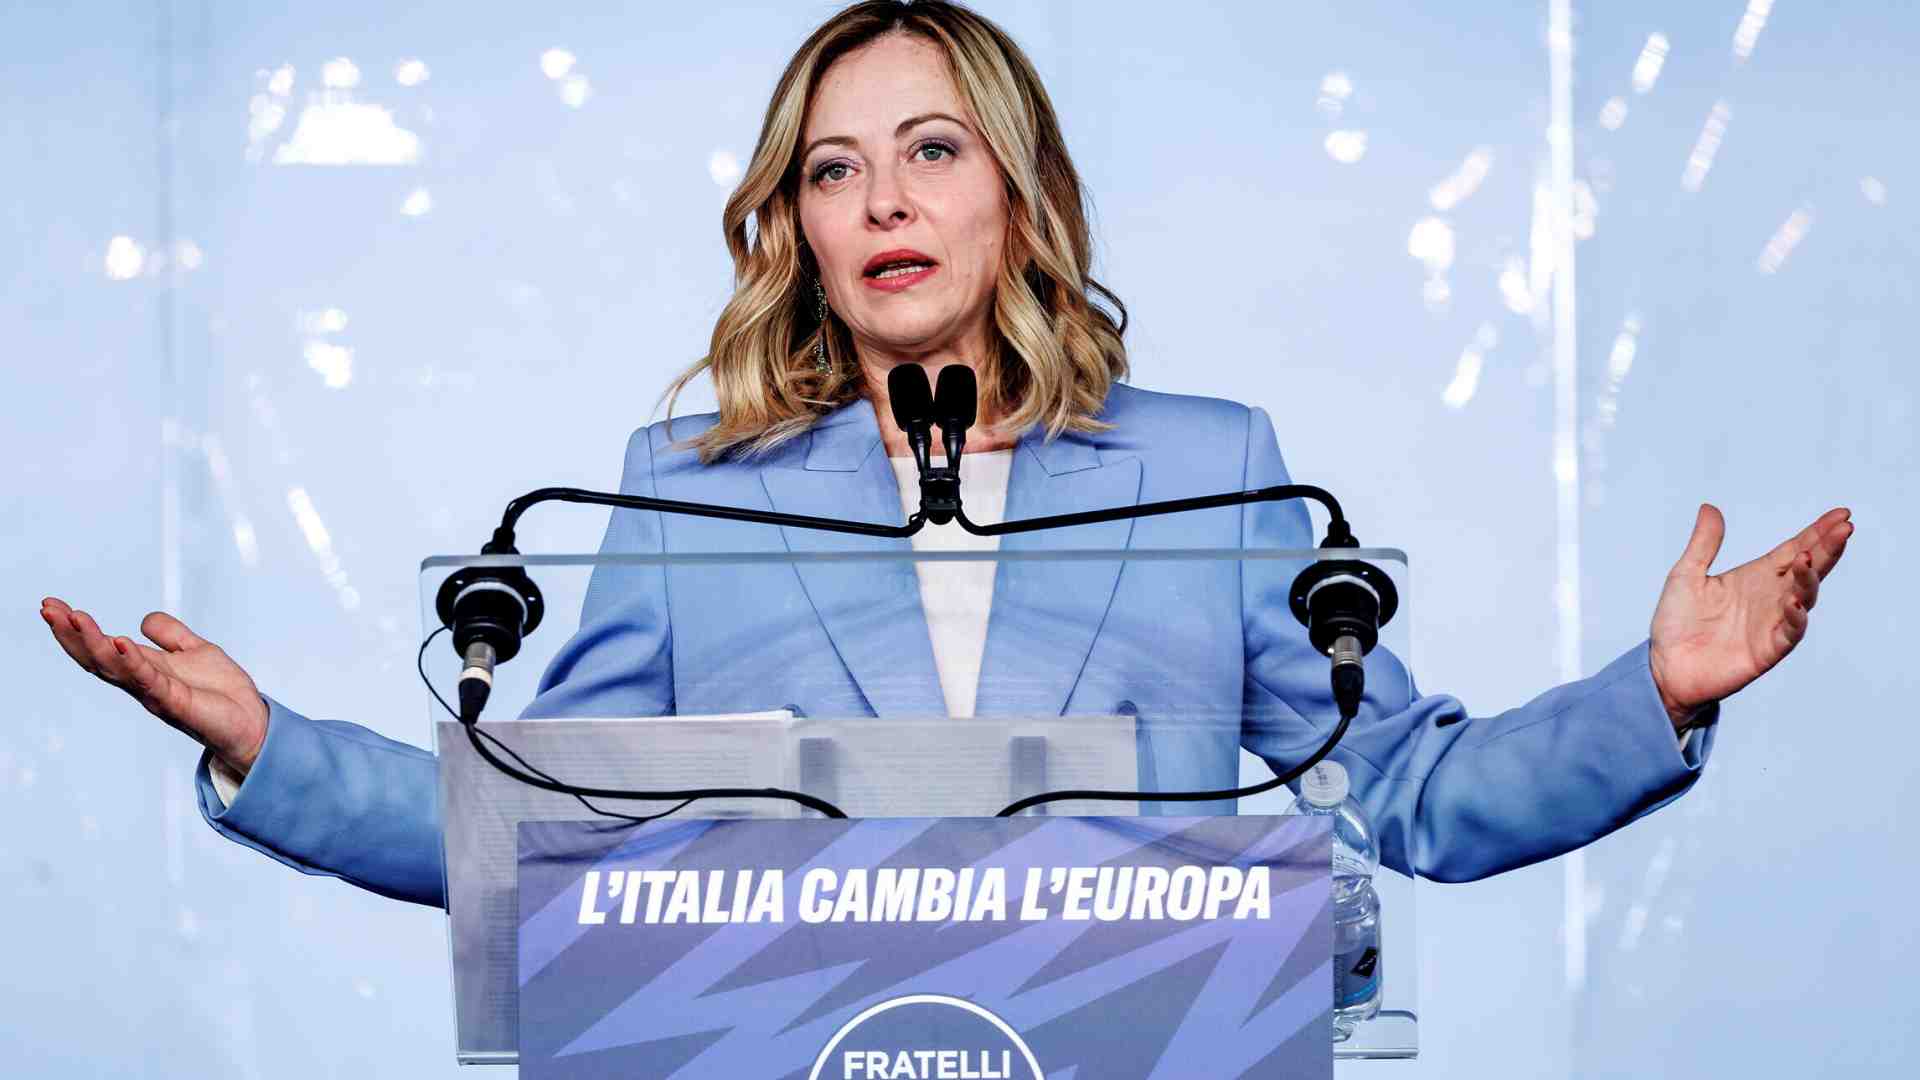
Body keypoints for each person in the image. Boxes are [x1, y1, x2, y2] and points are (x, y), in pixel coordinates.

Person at [41, 0, 1851, 910]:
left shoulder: (1213, 469)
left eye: (931, 152)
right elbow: (540, 826)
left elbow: (1415, 795)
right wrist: (269, 748)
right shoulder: (687, 487)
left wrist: (1657, 694)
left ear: (1016, 193)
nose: (885, 199)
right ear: (800, 225)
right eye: (835, 168)